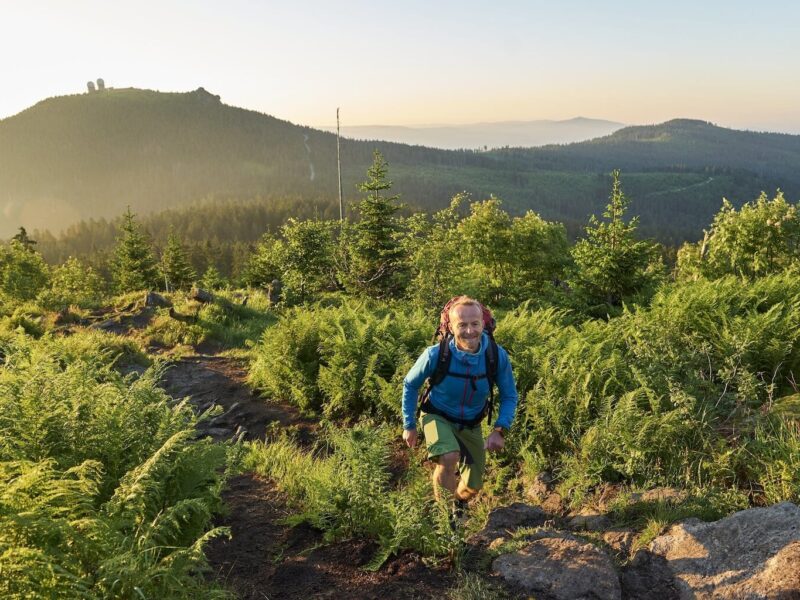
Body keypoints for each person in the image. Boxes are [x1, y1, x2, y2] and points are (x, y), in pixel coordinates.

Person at [401, 296, 518, 509]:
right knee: (448, 455)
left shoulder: (495, 356)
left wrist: (500, 430)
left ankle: (457, 503)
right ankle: (446, 520)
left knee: (473, 485)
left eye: (475, 324)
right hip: (436, 415)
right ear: (451, 327)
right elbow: (410, 384)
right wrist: (409, 425)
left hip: (471, 423)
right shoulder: (436, 354)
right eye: (462, 325)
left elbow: (510, 395)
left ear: (483, 324)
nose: (469, 330)